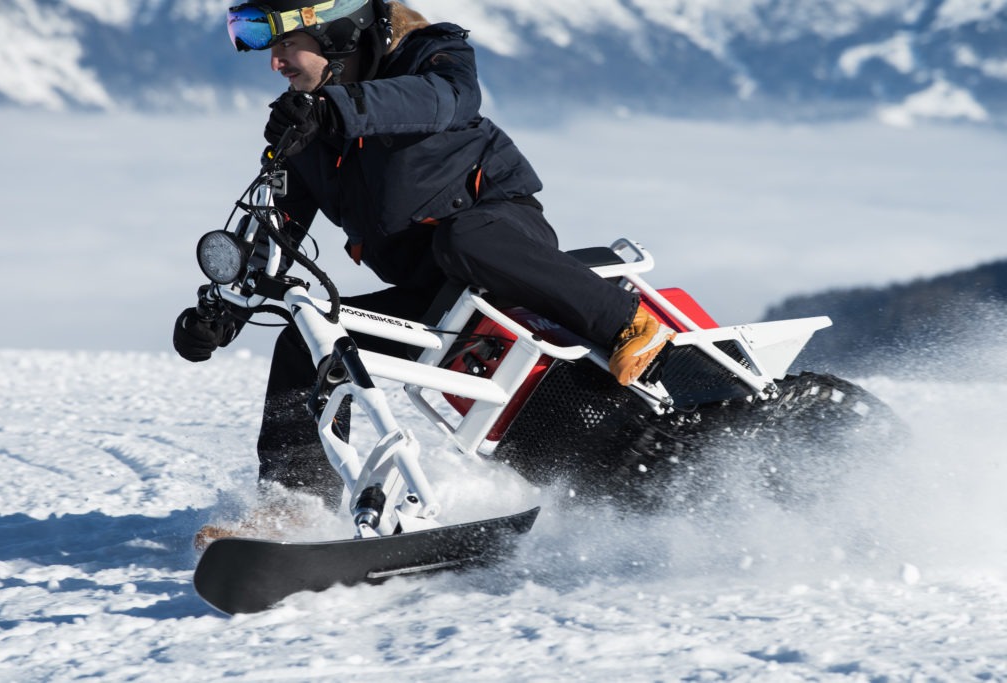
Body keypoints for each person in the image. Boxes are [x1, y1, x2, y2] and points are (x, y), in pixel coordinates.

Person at [173, 0, 674, 526]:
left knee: (464, 239)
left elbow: (449, 100)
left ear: (335, 31)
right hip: (430, 296)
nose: (276, 63)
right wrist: (221, 312)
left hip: (504, 256)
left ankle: (628, 322)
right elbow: (276, 231)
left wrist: (335, 109)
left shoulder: (432, 56)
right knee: (306, 339)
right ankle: (292, 512)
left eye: (284, 44)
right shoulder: (306, 124)